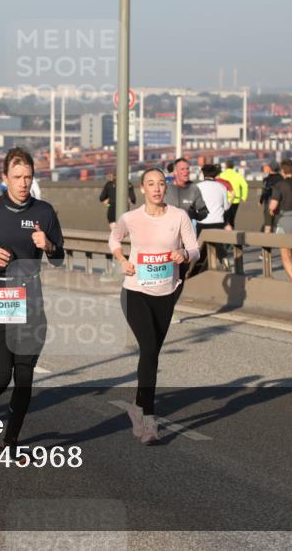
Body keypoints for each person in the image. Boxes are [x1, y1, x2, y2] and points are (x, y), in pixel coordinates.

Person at [0, 147, 65, 459]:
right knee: (1, 376)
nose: (23, 183)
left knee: (24, 379)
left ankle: (11, 443)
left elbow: (59, 258)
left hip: (31, 304)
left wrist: (47, 245)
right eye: (17, 177)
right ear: (4, 178)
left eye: (28, 177)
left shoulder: (44, 212)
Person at [109, 168, 199, 445]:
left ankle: (137, 406)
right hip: (135, 292)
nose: (157, 188)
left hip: (166, 292)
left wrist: (183, 254)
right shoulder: (131, 218)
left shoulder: (179, 216)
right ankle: (149, 420)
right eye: (151, 184)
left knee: (152, 356)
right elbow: (114, 238)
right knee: (148, 349)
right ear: (143, 188)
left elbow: (194, 248)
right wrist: (123, 260)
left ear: (166, 187)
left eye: (161, 183)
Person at [196, 164, 231, 273]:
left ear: (203, 174)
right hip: (218, 221)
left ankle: (201, 271)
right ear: (215, 174)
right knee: (219, 246)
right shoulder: (222, 187)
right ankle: (225, 262)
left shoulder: (197, 187)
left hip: (203, 222)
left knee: (202, 249)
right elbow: (226, 206)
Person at [219, 159, 248, 229]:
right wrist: (244, 197)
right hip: (235, 200)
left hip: (224, 200)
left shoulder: (221, 175)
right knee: (232, 219)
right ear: (233, 166)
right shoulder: (238, 175)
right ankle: (231, 234)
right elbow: (245, 185)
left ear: (226, 166)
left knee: (224, 219)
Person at [260, 161, 283, 234]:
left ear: (270, 168)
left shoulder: (266, 180)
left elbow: (265, 191)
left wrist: (260, 201)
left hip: (268, 204)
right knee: (278, 225)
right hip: (280, 204)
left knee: (268, 225)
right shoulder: (282, 179)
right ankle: (278, 243)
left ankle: (266, 244)